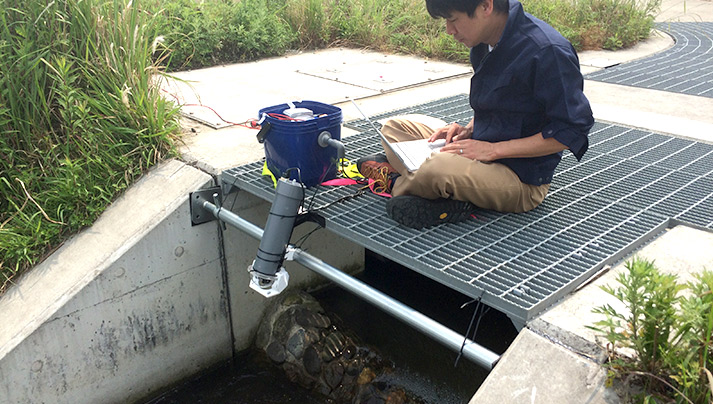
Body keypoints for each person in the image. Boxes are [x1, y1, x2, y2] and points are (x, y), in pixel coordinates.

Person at [357, 0, 594, 229]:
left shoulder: (547, 51)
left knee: (437, 167)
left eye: (453, 20)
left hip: (519, 178)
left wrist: (493, 150)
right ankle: (439, 192)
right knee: (393, 129)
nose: (449, 30)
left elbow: (571, 131)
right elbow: (500, 105)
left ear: (486, 6)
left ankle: (396, 182)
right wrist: (468, 129)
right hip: (479, 147)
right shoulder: (484, 41)